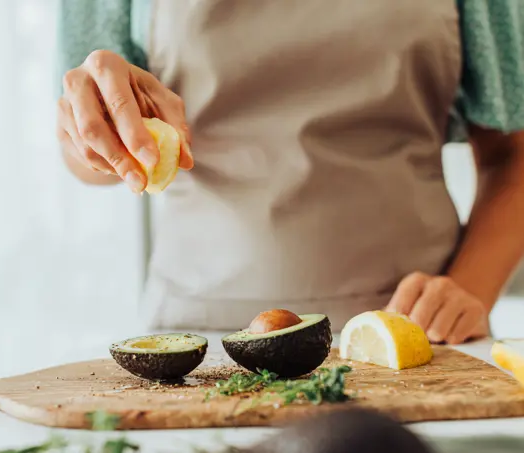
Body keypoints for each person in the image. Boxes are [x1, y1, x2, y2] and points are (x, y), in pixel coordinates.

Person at [55, 0, 524, 343]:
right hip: (197, 346)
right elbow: (89, 157)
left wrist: (468, 292)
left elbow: (514, 156)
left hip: (409, 340)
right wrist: (98, 132)